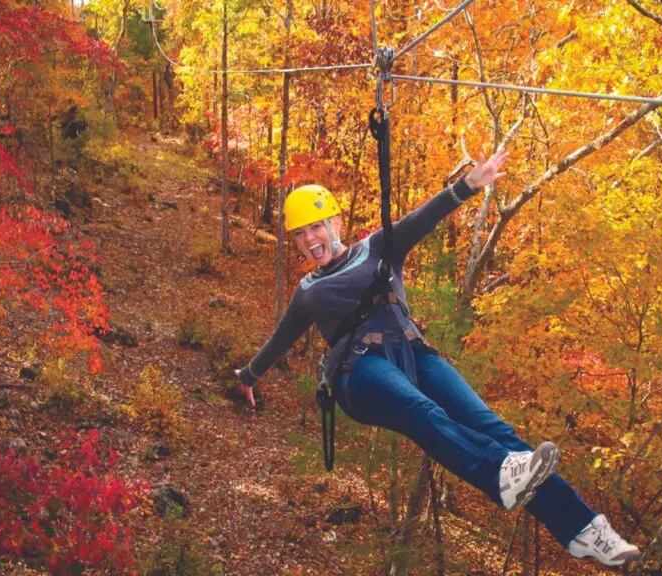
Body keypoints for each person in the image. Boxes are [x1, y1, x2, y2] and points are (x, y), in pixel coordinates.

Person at [234, 147, 641, 567]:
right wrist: (248, 375)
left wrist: (468, 185)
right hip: (358, 374)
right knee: (419, 408)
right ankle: (500, 474)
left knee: (499, 432)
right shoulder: (308, 292)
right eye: (299, 234)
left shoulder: (378, 248)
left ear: (336, 222)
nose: (309, 240)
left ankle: (586, 531)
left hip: (411, 354)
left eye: (316, 226)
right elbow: (280, 340)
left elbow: (420, 219)